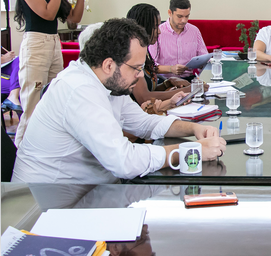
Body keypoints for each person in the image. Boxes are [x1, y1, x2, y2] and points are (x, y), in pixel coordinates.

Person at [12, 18, 226, 184]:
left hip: (85, 191)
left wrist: (194, 128)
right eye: (136, 68)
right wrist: (192, 150)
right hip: (50, 205)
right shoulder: (80, 90)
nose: (141, 76)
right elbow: (124, 161)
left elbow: (144, 123)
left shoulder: (108, 84)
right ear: (108, 65)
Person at [14, 0, 87, 146]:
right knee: (32, 104)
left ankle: (46, 148)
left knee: (53, 98)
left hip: (54, 43)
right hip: (36, 44)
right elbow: (46, 13)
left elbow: (73, 20)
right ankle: (19, 158)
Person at [127, 3, 199, 111]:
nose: (159, 31)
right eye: (155, 27)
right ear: (143, 28)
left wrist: (168, 82)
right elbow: (144, 97)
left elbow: (150, 88)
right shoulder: (132, 57)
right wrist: (191, 89)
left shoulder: (144, 52)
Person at [148, 0, 208, 81]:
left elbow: (204, 57)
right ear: (170, 13)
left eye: (187, 16)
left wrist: (202, 64)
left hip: (189, 79)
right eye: (180, 16)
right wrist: (171, 69)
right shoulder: (158, 32)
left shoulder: (194, 31)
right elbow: (150, 66)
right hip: (164, 81)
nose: (184, 20)